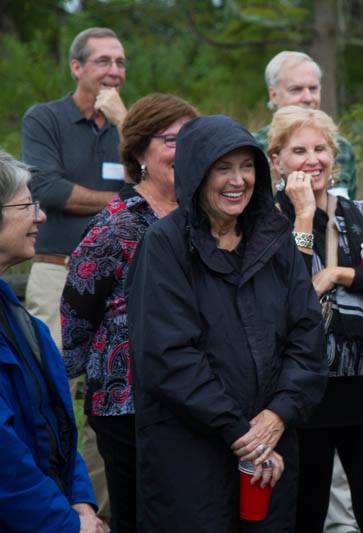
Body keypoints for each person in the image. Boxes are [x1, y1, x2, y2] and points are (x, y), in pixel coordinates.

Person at [126, 114, 326, 532]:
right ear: (197, 173)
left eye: (247, 166)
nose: (238, 180)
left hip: (271, 448)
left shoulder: (275, 238)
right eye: (223, 168)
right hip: (191, 452)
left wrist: (277, 414)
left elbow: (307, 335)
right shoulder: (165, 245)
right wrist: (241, 433)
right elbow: (169, 356)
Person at [60, 94, 198, 533]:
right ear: (139, 151)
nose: (184, 150)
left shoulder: (204, 215)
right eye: (171, 140)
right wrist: (84, 376)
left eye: (191, 139)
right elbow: (78, 307)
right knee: (138, 515)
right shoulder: (116, 224)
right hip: (127, 400)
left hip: (197, 395)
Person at [21, 27, 129, 519]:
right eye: (103, 61)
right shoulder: (45, 119)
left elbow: (161, 179)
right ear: (76, 67)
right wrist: (123, 203)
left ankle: (102, 515)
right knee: (52, 393)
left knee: (112, 397)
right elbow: (47, 189)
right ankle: (55, 512)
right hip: (58, 273)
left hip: (121, 282)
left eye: (120, 62)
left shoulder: (130, 125)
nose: (114, 71)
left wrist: (126, 123)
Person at [267, 105, 363, 532]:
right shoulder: (266, 220)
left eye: (320, 149)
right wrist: (304, 215)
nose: (312, 159)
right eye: (299, 151)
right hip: (301, 388)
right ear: (277, 161)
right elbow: (288, 293)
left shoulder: (362, 213)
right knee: (304, 510)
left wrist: (338, 274)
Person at [0, 150, 104, 533]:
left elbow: (60, 423)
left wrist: (82, 501)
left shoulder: (23, 322)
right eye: (27, 205)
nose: (41, 216)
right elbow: (6, 465)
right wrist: (68, 523)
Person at [253, 51, 358, 200]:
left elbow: (347, 208)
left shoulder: (342, 147)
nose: (308, 98)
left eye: (313, 88)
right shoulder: (252, 147)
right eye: (296, 90)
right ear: (273, 95)